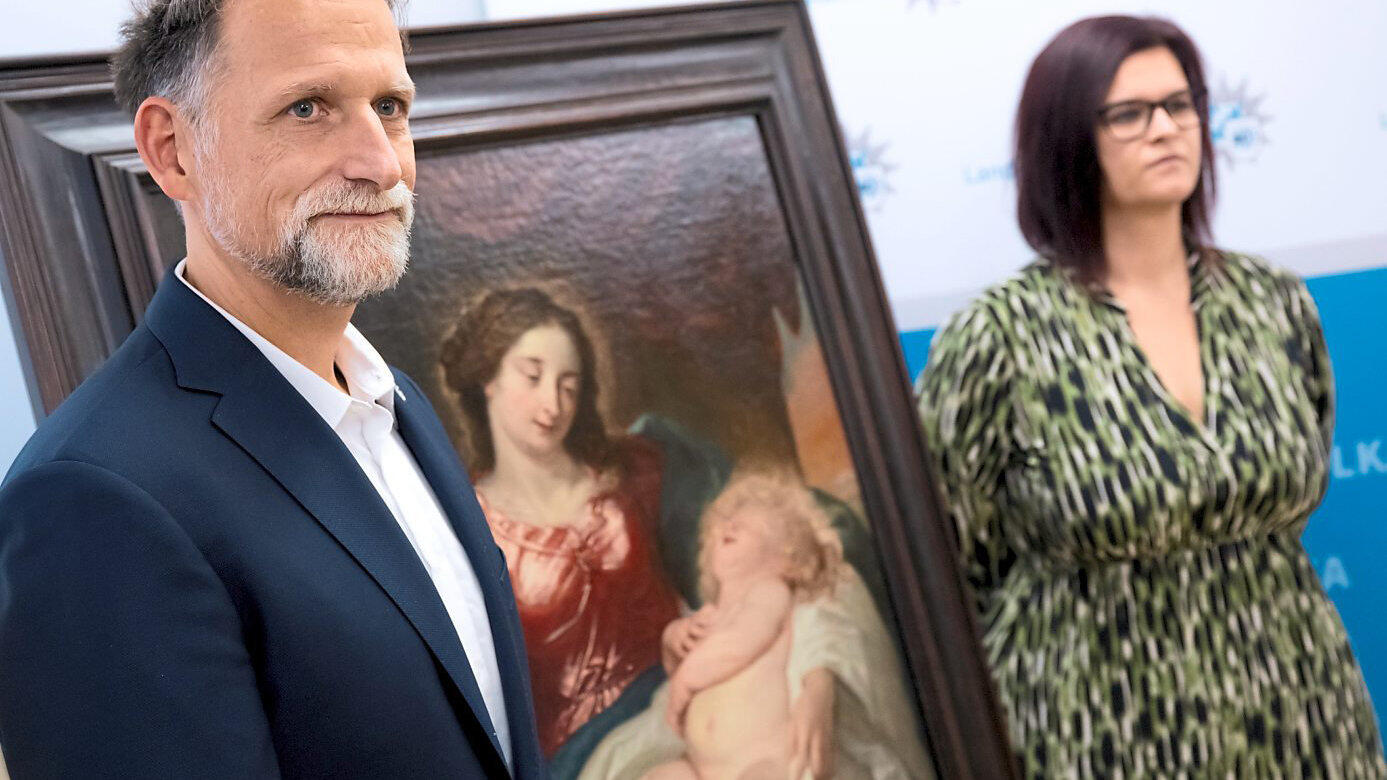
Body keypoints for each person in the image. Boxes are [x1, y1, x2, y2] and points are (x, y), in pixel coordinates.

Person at [0, 0, 544, 777]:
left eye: (389, 107)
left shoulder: (395, 404)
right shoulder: (90, 499)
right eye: (307, 108)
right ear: (172, 151)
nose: (380, 164)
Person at [916, 14, 1386, 778]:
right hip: (1095, 733)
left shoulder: (1273, 302)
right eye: (1129, 114)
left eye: (1179, 104)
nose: (1165, 129)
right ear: (1068, 139)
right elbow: (951, 566)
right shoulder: (998, 337)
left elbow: (1295, 487)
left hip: (1300, 717)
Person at [439, 287, 684, 758]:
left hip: (684, 700)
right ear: (487, 377)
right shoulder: (465, 529)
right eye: (533, 377)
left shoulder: (634, 472)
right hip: (578, 759)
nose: (553, 403)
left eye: (568, 386)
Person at [585, 474, 932, 780]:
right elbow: (683, 671)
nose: (730, 526)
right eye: (725, 524)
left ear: (788, 558)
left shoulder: (770, 591)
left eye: (750, 525)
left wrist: (688, 676)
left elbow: (743, 641)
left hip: (761, 759)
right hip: (703, 766)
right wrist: (674, 641)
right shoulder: (710, 614)